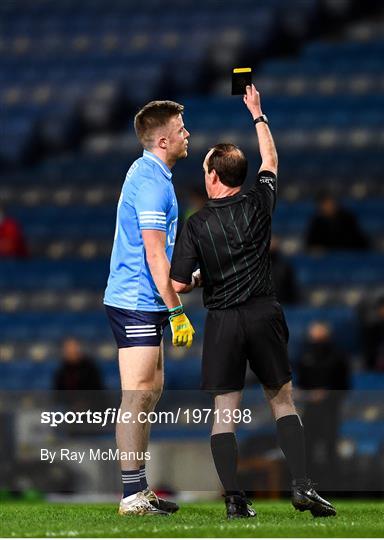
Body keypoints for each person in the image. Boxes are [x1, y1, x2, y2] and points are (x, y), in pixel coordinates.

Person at [170, 85, 336, 519]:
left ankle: (235, 501)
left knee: (225, 411)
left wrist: (204, 276)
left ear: (212, 176)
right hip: (264, 312)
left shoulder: (197, 224)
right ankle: (302, 488)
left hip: (223, 319)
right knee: (282, 401)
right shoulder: (259, 203)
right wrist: (258, 115)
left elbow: (179, 283)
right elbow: (272, 161)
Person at [103, 100, 196, 516]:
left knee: (150, 393)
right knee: (137, 395)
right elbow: (155, 256)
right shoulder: (153, 183)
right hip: (137, 301)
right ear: (163, 140)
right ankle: (129, 495)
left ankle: (138, 489)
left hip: (147, 298)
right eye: (180, 128)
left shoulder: (151, 173)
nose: (186, 134)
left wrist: (182, 283)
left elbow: (161, 256)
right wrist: (177, 310)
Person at [296, 322, 350, 489]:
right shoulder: (305, 357)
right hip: (310, 410)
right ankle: (309, 488)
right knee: (307, 448)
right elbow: (301, 383)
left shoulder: (337, 357)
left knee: (329, 449)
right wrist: (301, 392)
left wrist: (326, 393)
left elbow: (344, 385)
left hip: (330, 410)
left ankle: (334, 488)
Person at [305, 191, 370, 251]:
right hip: (326, 259)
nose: (328, 206)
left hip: (348, 256)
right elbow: (311, 243)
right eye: (324, 203)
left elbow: (358, 241)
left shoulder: (348, 219)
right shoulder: (316, 222)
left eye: (331, 202)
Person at [270, 235, 299, 305]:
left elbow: (292, 292)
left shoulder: (285, 267)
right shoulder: (257, 266)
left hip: (284, 306)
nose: (271, 242)